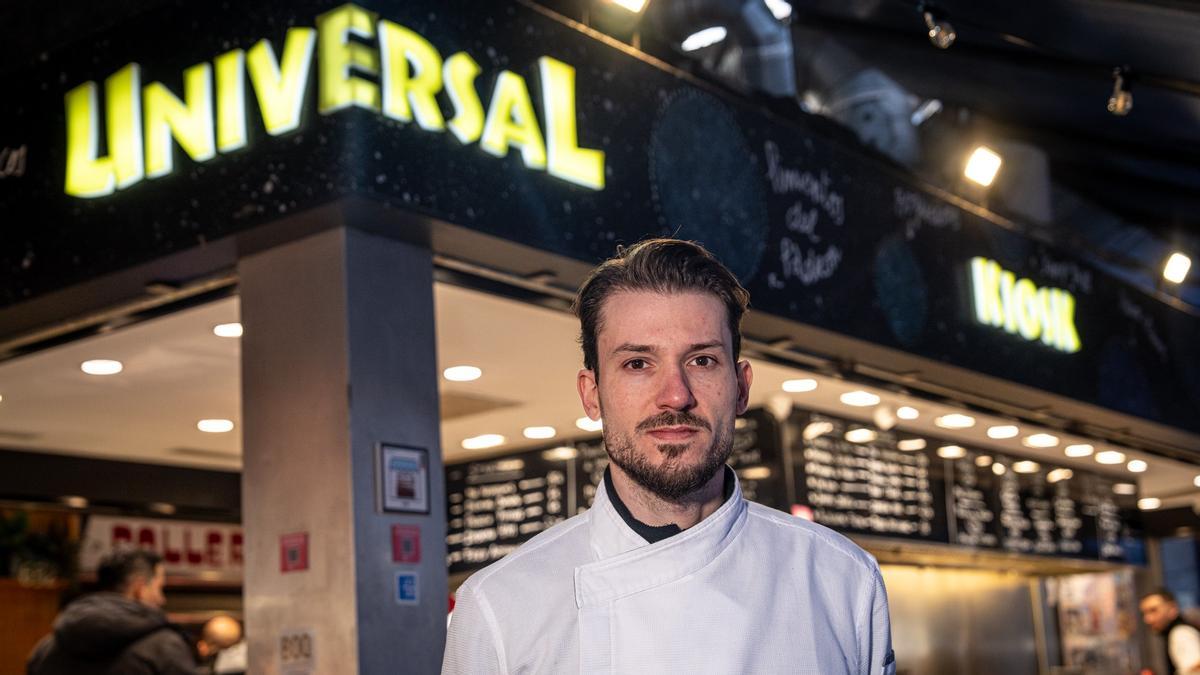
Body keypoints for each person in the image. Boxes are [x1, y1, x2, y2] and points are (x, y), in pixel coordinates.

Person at [443, 238, 895, 674]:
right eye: (637, 363)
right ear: (592, 394)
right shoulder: (499, 609)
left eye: (702, 361)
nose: (676, 396)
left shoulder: (844, 581)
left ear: (741, 387)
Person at [27, 549, 198, 675]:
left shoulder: (47, 648)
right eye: (159, 588)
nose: (162, 599)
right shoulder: (164, 647)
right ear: (139, 589)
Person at [1141, 588, 1200, 674]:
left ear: (1172, 609)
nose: (1148, 619)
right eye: (1144, 613)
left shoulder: (1181, 634)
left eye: (1153, 610)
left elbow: (1196, 669)